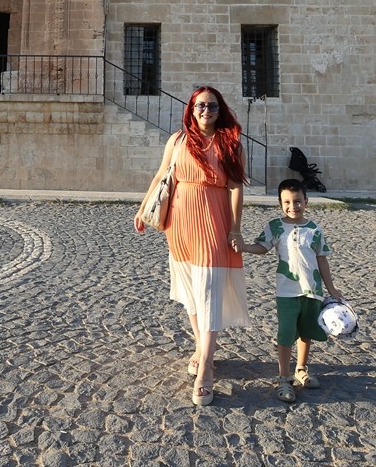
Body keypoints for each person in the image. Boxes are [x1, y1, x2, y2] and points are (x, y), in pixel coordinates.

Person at [134, 86, 250, 406]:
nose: (206, 111)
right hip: (180, 225)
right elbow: (161, 176)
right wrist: (143, 209)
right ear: (191, 108)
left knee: (210, 290)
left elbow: (236, 189)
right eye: (200, 105)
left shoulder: (231, 144)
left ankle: (206, 371)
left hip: (214, 221)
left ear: (219, 110)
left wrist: (236, 229)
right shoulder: (178, 140)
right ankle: (203, 351)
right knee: (191, 292)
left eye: (212, 106)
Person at [232, 178, 343, 404]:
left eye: (298, 201)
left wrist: (331, 288)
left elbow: (322, 260)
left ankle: (301, 368)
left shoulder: (314, 229)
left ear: (306, 201)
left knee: (306, 332)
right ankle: (284, 377)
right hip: (286, 292)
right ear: (280, 203)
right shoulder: (275, 227)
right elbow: (262, 248)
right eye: (287, 202)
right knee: (285, 334)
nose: (293, 206)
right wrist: (244, 248)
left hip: (312, 291)